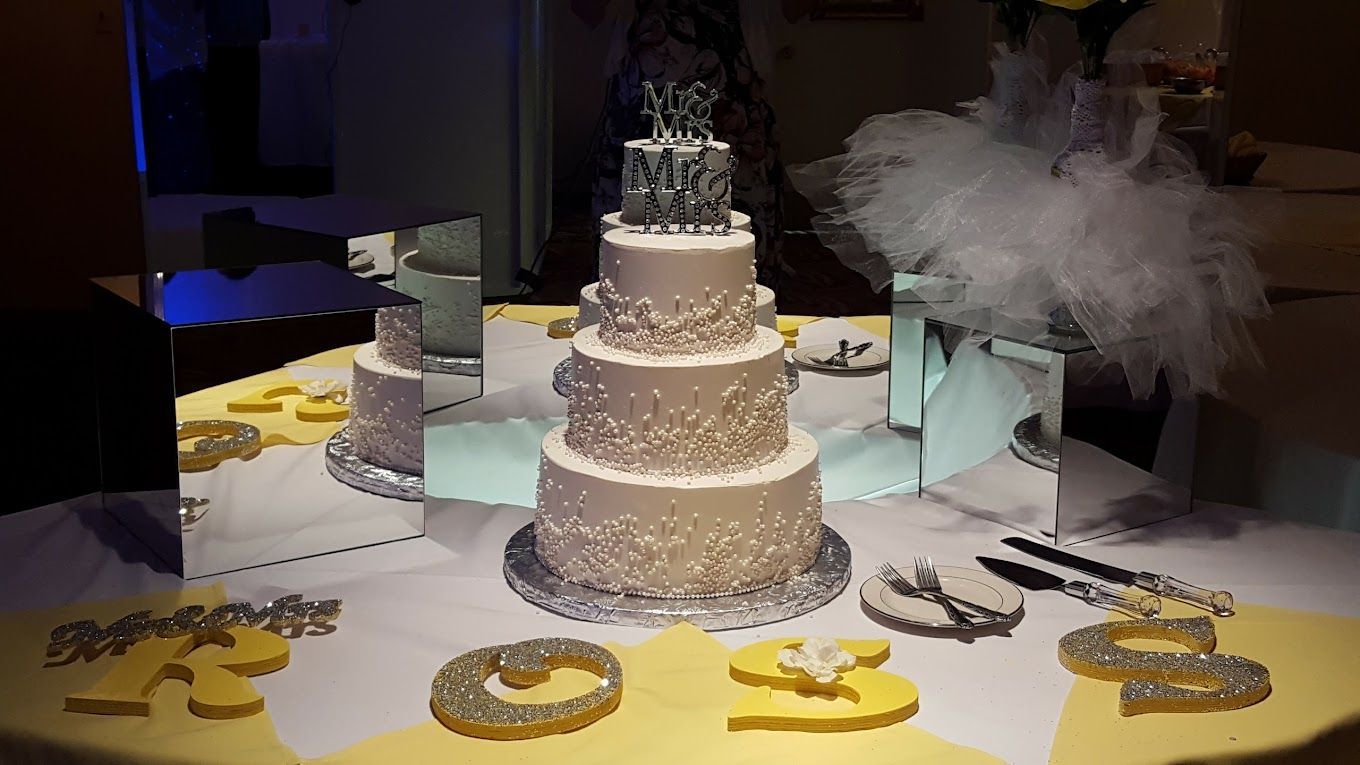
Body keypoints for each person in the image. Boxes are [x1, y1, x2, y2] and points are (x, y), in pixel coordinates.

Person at [572, 0, 812, 288]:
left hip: (731, 114)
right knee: (634, 233)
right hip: (645, 108)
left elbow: (798, 9)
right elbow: (586, 9)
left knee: (735, 232)